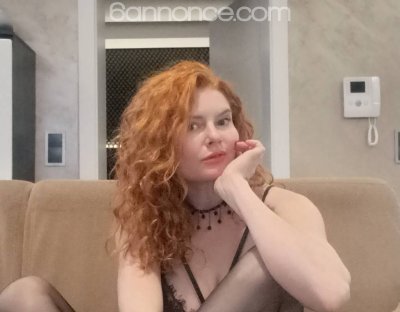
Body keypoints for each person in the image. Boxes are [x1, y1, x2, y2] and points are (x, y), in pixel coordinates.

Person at [0, 60, 351, 312]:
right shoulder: (146, 218)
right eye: (193, 126)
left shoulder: (287, 207)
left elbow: (331, 295)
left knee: (267, 264)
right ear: (161, 145)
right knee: (25, 295)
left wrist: (239, 190)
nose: (214, 136)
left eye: (223, 121)